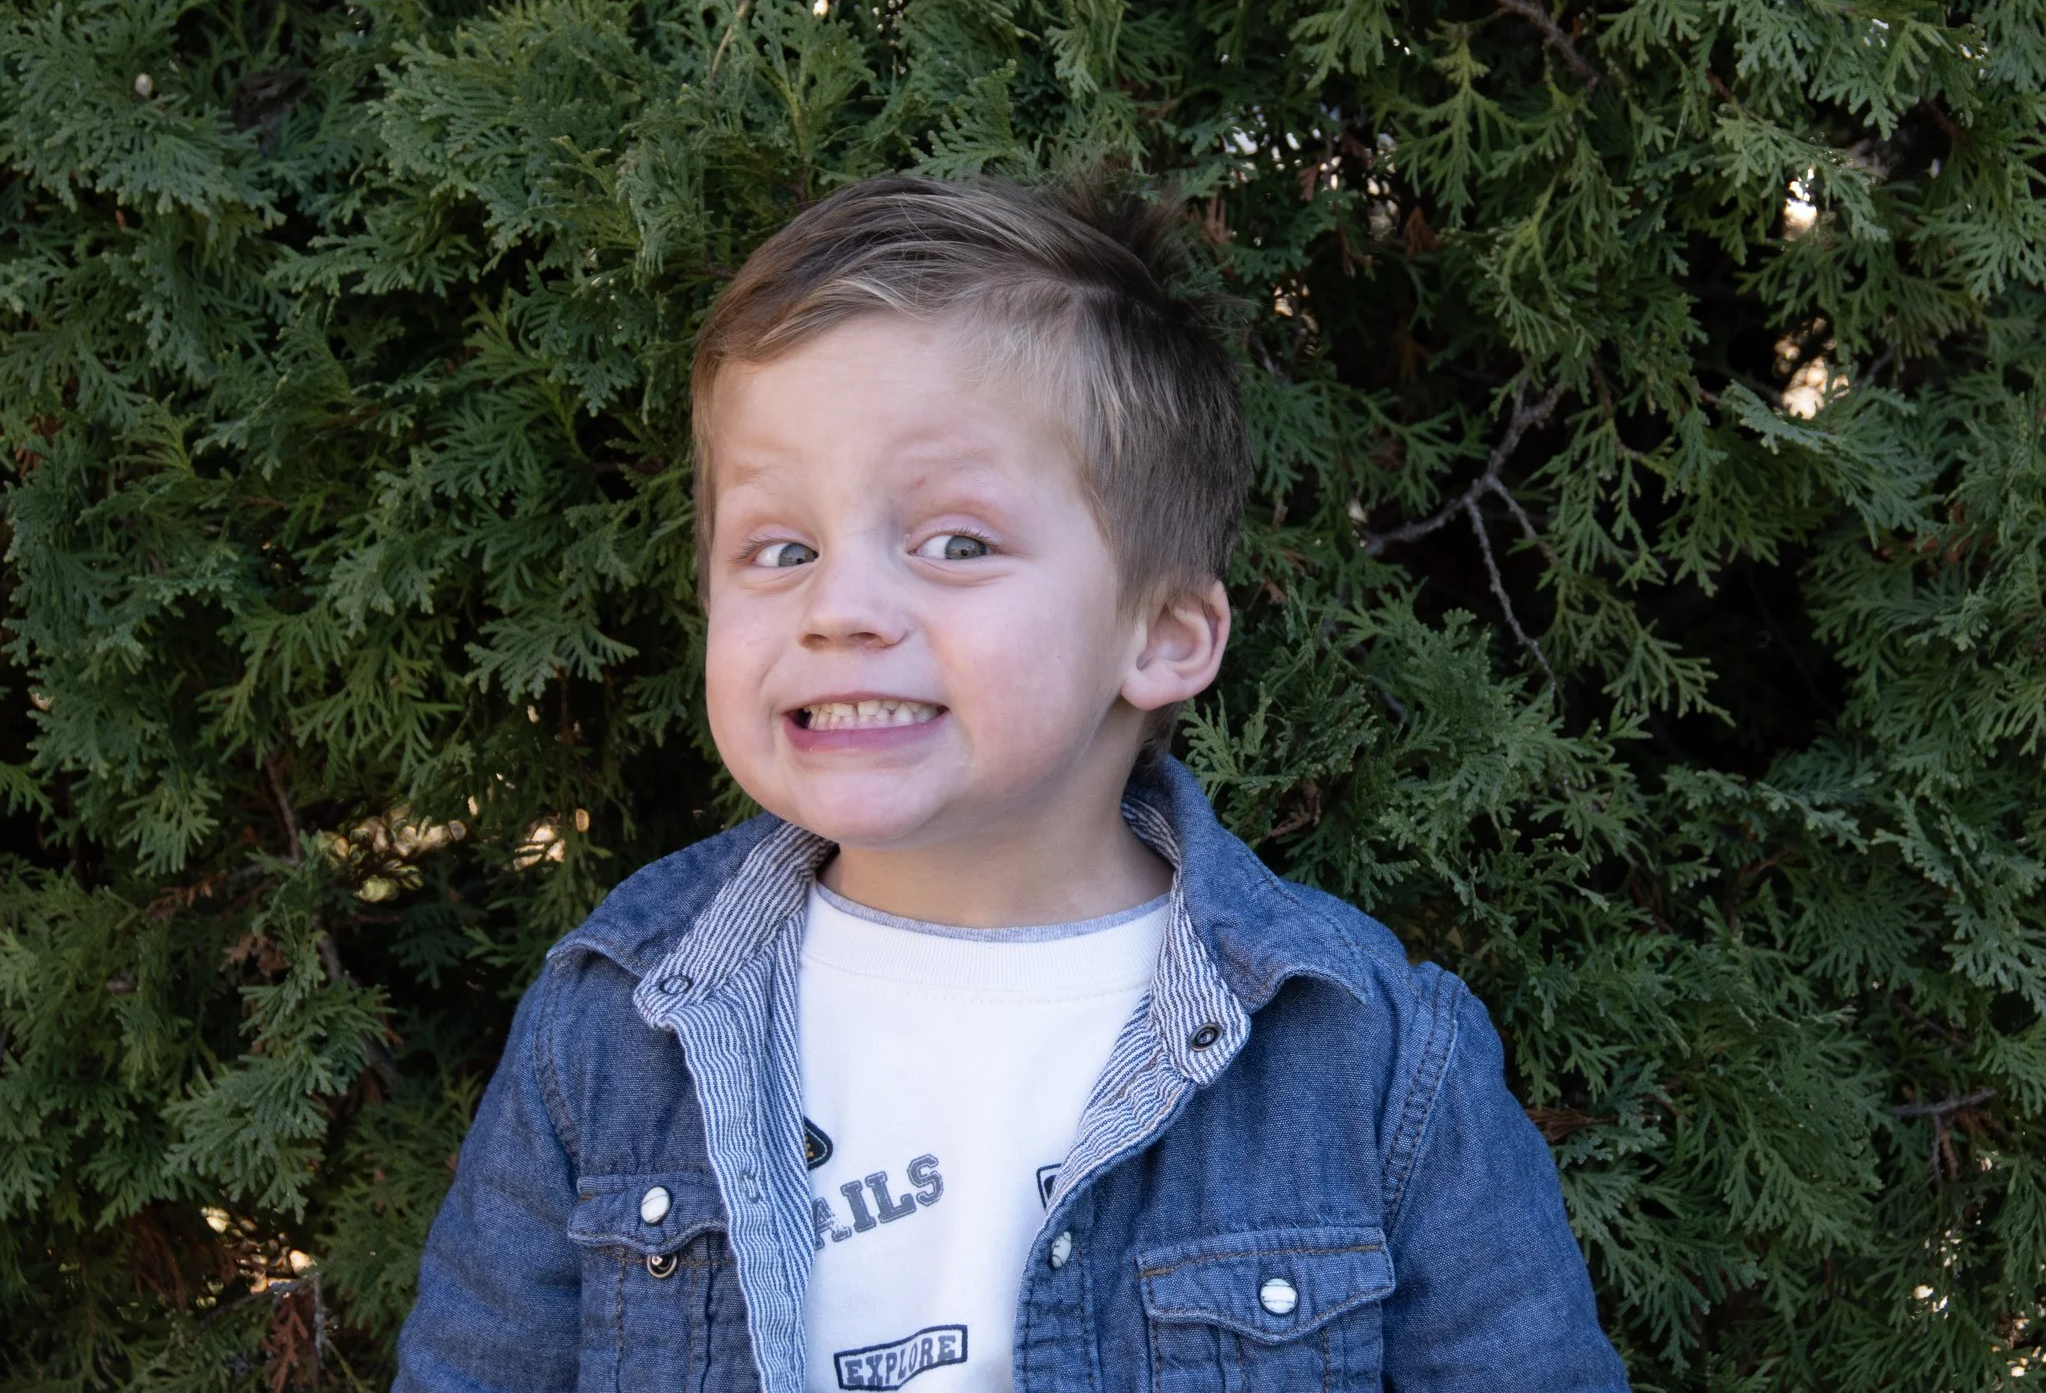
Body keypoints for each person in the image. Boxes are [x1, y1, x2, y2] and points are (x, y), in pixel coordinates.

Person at [394, 175, 1628, 1393]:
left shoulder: (1363, 1057)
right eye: (780, 547)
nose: (841, 607)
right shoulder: (615, 1022)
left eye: (956, 543)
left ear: (1159, 635)